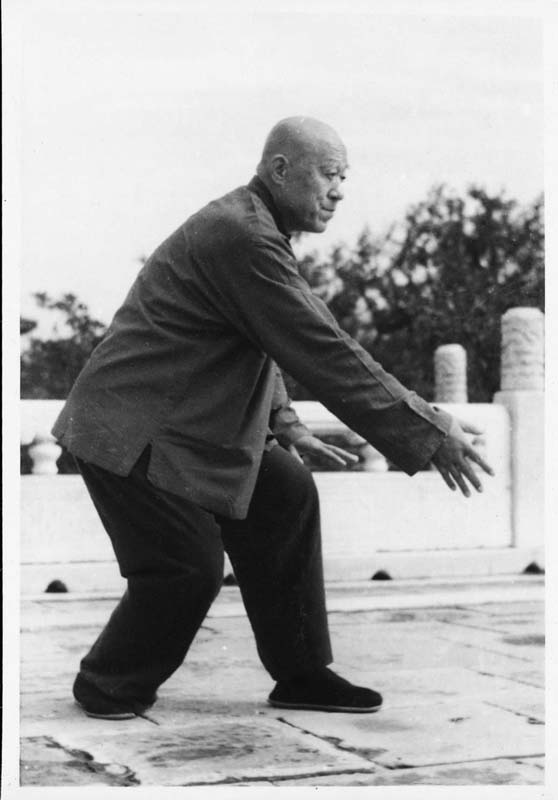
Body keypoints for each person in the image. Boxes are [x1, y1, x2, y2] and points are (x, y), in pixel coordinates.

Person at [52, 116, 493, 721]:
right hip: (128, 427)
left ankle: (302, 673)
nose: (339, 191)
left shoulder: (257, 231)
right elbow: (323, 347)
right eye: (329, 174)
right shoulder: (244, 236)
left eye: (345, 178)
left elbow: (260, 337)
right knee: (186, 567)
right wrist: (427, 428)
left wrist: (285, 421)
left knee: (285, 490)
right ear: (280, 170)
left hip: (185, 427)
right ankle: (106, 684)